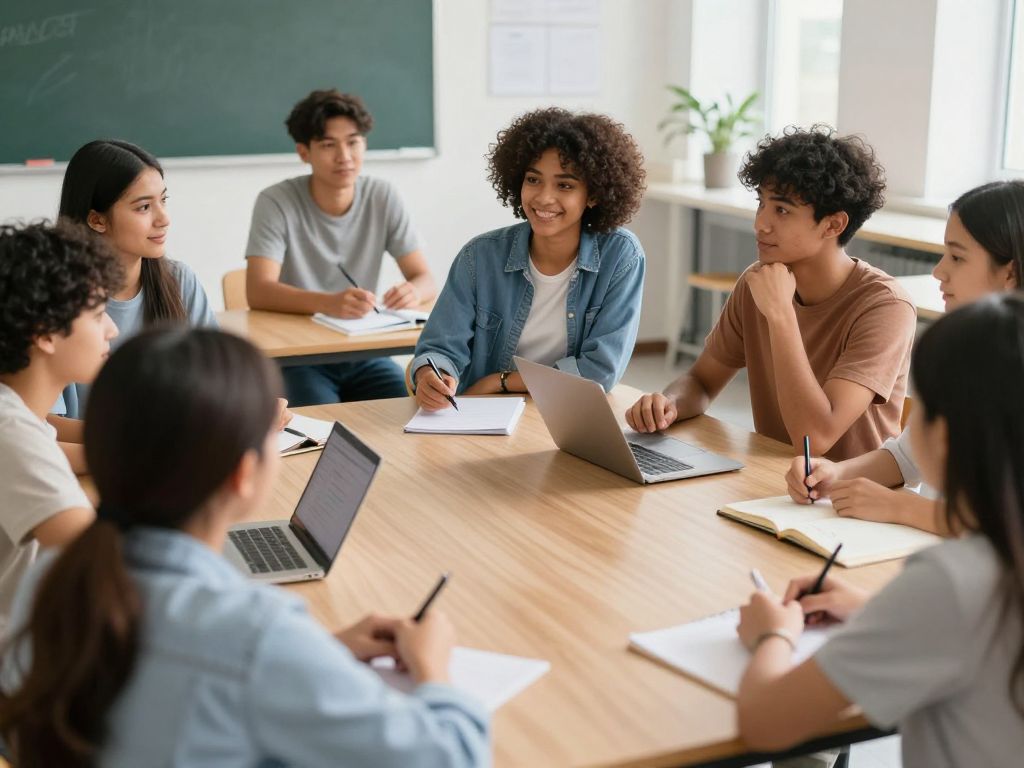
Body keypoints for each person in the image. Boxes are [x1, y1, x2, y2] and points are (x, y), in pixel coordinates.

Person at [0, 328, 488, 767]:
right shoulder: (254, 632)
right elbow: (449, 756)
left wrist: (320, 654)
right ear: (244, 472)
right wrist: (433, 668)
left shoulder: (48, 583)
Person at [735, 293, 1024, 768]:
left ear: (943, 436)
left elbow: (765, 723)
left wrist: (774, 635)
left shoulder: (951, 582)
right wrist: (879, 611)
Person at [626, 126, 915, 461]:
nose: (760, 224)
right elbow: (702, 381)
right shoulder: (756, 283)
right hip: (776, 484)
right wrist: (668, 405)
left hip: (853, 498)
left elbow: (814, 439)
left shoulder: (884, 307)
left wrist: (780, 315)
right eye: (761, 203)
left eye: (781, 210)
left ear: (833, 225)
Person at [784, 180, 1024, 534]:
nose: (939, 271)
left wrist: (906, 508)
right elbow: (906, 457)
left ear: (1011, 273)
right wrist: (836, 474)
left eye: (957, 257)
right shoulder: (964, 350)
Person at [412, 107, 646, 411]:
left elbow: (600, 370)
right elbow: (438, 348)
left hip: (568, 412)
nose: (544, 198)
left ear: (593, 195)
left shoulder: (620, 256)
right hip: (481, 413)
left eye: (565, 185)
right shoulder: (480, 257)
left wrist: (502, 381)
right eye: (533, 180)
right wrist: (432, 373)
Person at [245, 89, 436, 405]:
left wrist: (412, 292)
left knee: (409, 412)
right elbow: (258, 290)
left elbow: (425, 277)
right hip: (300, 357)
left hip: (363, 352)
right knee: (323, 431)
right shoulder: (276, 201)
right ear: (304, 152)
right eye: (328, 145)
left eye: (353, 141)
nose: (344, 156)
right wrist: (329, 302)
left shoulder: (382, 195)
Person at [0, 221, 121, 629]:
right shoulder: (9, 431)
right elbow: (99, 562)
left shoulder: (17, 412)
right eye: (100, 314)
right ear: (45, 334)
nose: (112, 330)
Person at [55, 139, 216, 420]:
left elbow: (217, 377)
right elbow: (41, 424)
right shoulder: (56, 294)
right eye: (143, 207)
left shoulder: (180, 281)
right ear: (97, 220)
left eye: (163, 200)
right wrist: (138, 438)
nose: (163, 218)